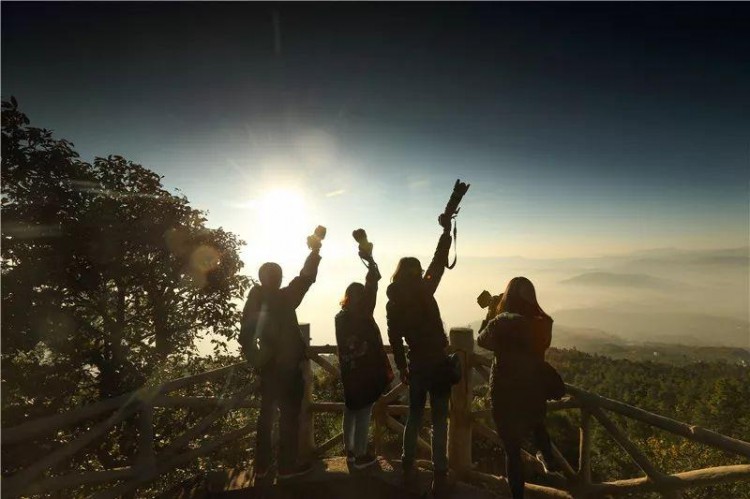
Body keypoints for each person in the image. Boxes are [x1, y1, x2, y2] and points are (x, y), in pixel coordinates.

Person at [239, 231, 324, 481]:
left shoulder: (255, 300)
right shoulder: (286, 298)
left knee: (266, 417)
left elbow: (245, 336)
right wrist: (315, 251)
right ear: (278, 278)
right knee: (288, 418)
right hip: (289, 370)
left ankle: (262, 467)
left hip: (268, 370)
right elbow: (306, 278)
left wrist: (258, 360)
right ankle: (286, 467)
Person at [477, 277, 562, 499]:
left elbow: (482, 341)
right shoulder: (543, 322)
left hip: (505, 392)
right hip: (534, 389)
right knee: (536, 421)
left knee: (512, 453)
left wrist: (491, 314)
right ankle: (547, 455)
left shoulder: (501, 322)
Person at [386, 217, 453, 496]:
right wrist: (446, 232)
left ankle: (407, 467)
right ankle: (440, 474)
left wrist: (402, 366)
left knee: (414, 417)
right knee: (439, 419)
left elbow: (393, 337)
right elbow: (439, 262)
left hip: (417, 363)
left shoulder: (393, 301)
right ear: (417, 273)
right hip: (437, 361)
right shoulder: (425, 290)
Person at [335, 237, 392, 470]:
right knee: (363, 413)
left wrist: (369, 260)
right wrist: (369, 259)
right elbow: (373, 284)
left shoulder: (340, 317)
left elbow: (371, 284)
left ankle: (349, 451)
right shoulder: (364, 313)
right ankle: (360, 455)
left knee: (351, 410)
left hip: (349, 370)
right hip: (366, 371)